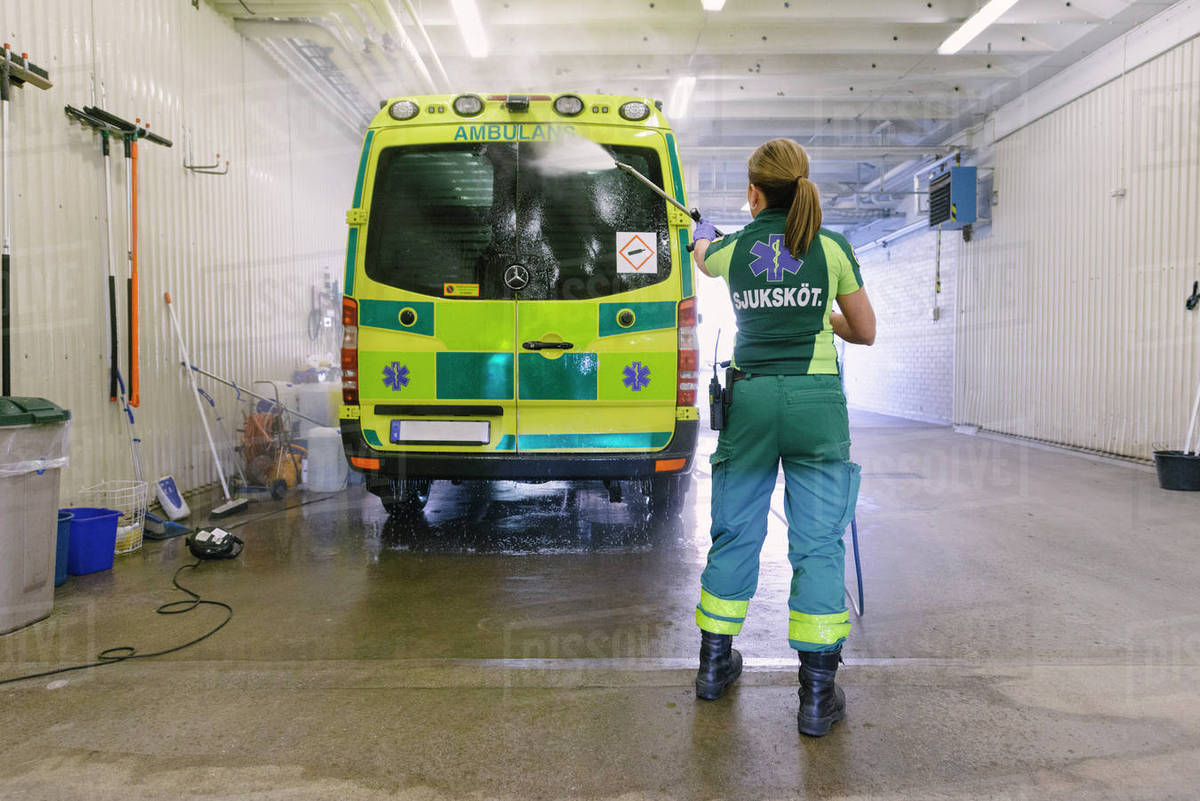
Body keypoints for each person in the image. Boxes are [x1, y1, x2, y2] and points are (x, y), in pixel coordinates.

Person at [689, 138, 876, 737]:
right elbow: (865, 331)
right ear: (803, 186)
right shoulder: (833, 246)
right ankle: (817, 697)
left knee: (736, 528)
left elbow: (700, 255)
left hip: (751, 399)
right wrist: (823, 314)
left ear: (753, 192)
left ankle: (714, 669)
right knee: (818, 543)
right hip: (815, 403)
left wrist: (707, 233)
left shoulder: (734, 247)